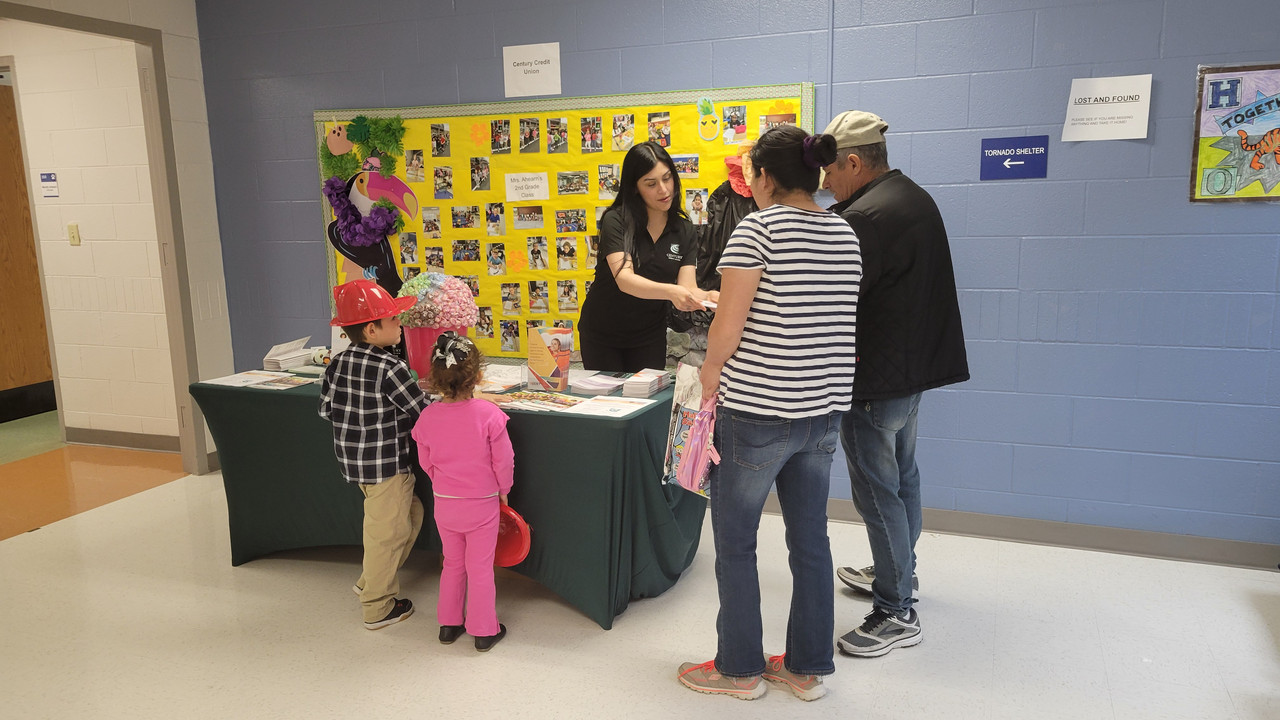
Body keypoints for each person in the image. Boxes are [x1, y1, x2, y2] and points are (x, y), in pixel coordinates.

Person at [677, 126, 861, 702]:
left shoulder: (756, 230)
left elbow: (728, 327)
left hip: (757, 410)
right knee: (811, 538)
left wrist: (708, 378)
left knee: (736, 540)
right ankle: (806, 668)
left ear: (764, 178)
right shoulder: (844, 231)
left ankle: (739, 670)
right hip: (823, 411)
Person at [819, 111, 969, 658]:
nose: (827, 187)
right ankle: (901, 574)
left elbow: (838, 301)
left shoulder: (865, 219)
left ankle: (895, 610)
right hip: (910, 376)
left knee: (877, 492)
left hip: (874, 381)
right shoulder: (913, 197)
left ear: (854, 162)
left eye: (831, 175)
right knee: (904, 478)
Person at [318, 279, 429, 630]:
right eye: (394, 319)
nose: (400, 323)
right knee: (387, 534)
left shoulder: (337, 363)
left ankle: (369, 580)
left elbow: (325, 410)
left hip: (355, 464)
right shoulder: (390, 368)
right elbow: (423, 413)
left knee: (409, 515)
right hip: (387, 467)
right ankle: (377, 606)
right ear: (371, 328)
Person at [410, 332, 513, 652]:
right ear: (478, 376)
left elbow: (425, 460)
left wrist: (443, 483)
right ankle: (483, 629)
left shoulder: (427, 417)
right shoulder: (490, 415)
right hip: (481, 503)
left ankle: (448, 624)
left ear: (435, 379)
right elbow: (504, 460)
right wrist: (503, 490)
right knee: (480, 567)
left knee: (452, 563)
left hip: (446, 504)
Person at [577, 141, 717, 372]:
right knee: (610, 404)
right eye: (651, 184)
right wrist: (671, 292)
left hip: (648, 335)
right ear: (634, 188)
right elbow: (625, 280)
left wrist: (708, 296)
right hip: (602, 334)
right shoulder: (616, 220)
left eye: (667, 178)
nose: (663, 190)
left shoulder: (683, 230)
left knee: (648, 403)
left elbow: (687, 287)